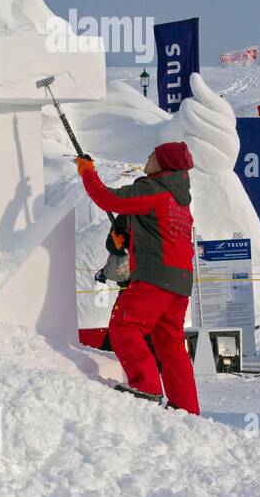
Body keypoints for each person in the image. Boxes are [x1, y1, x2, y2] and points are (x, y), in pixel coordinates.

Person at [77, 141, 199, 414]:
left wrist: (87, 172)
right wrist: (125, 238)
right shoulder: (179, 198)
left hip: (155, 277)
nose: (148, 156)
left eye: (153, 155)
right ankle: (187, 408)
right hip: (180, 282)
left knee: (125, 326)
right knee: (170, 344)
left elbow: (109, 199)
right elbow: (159, 232)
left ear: (164, 163)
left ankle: (146, 389)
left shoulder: (154, 190)